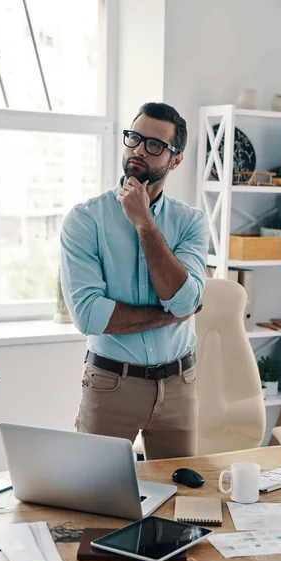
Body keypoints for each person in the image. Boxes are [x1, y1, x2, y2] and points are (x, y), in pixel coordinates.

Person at [60, 102, 209, 460]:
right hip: (111, 385)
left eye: (154, 145)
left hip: (179, 386)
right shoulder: (85, 220)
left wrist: (144, 223)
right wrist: (167, 316)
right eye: (134, 138)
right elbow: (91, 317)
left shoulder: (191, 222)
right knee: (92, 501)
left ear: (175, 160)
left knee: (180, 501)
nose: (139, 150)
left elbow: (185, 301)